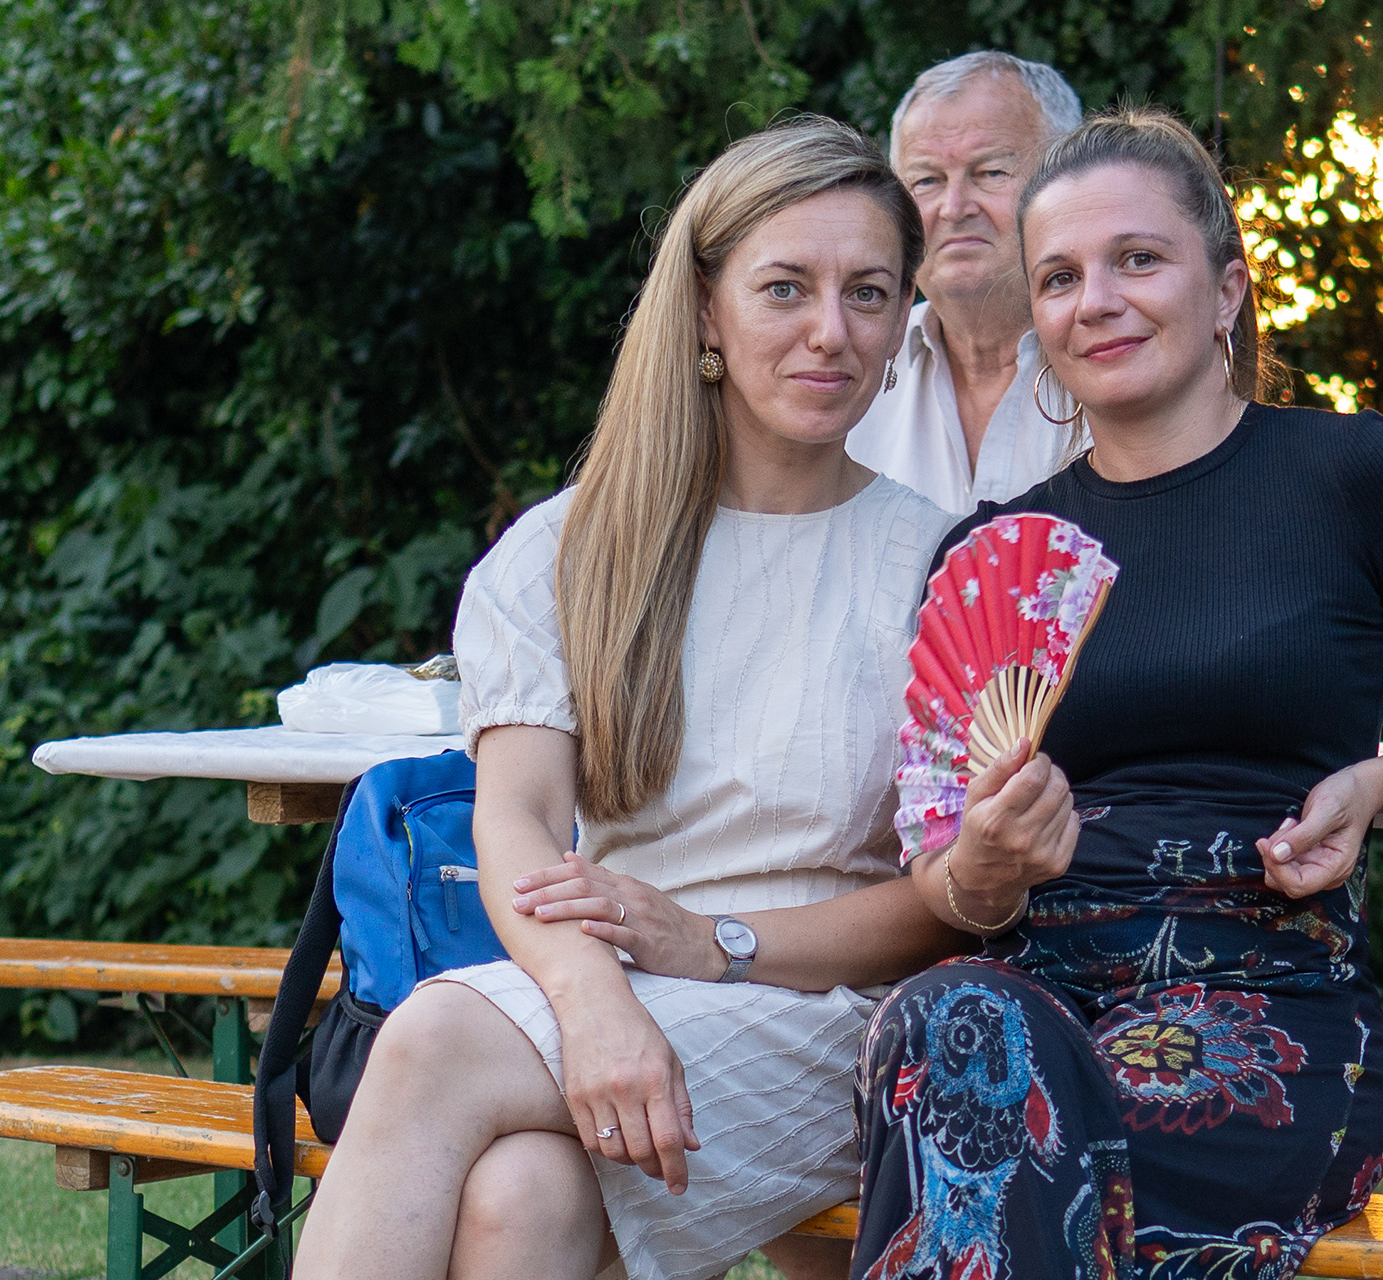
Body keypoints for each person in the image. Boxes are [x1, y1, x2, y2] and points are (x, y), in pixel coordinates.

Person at [851, 107, 1383, 1280]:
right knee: (948, 1027)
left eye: (1138, 259)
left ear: (1227, 287)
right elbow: (944, 866)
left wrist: (1371, 785)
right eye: (1061, 277)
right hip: (1038, 974)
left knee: (1032, 1147)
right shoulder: (996, 556)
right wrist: (985, 859)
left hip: (1257, 987)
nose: (1097, 300)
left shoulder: (1353, 476)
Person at [294, 118, 966, 1280]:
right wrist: (594, 1002)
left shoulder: (944, 565)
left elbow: (953, 904)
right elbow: (514, 821)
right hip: (606, 991)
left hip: (837, 1013)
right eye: (785, 287)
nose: (831, 330)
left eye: (868, 292)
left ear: (905, 314)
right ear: (705, 308)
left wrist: (716, 945)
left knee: (435, 1037)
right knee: (519, 1194)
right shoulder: (570, 551)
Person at [846, 51, 1084, 515]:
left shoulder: (1119, 357)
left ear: (1068, 183)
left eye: (992, 172)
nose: (954, 207)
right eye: (926, 181)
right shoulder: (853, 361)